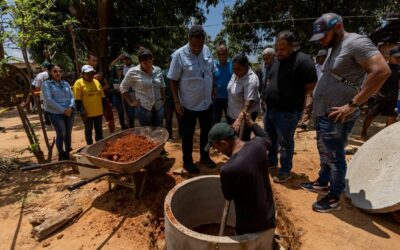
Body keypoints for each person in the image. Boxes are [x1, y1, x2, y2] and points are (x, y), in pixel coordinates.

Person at [301, 13, 390, 213]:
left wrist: (352, 104)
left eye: (324, 35)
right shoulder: (335, 47)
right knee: (325, 152)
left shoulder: (356, 43)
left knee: (335, 156)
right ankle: (323, 182)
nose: (321, 41)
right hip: (325, 113)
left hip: (338, 116)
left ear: (338, 27)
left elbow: (382, 71)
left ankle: (334, 197)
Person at [205, 112, 275, 235]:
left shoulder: (228, 169)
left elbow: (228, 196)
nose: (218, 151)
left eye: (217, 148)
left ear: (223, 143)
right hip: (268, 216)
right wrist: (252, 124)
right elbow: (267, 138)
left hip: (248, 226)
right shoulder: (258, 144)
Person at [265, 30, 317, 182]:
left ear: (292, 46)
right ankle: (272, 160)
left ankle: (285, 170)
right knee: (271, 139)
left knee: (285, 142)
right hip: (271, 111)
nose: (279, 52)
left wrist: (294, 100)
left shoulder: (303, 61)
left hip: (287, 113)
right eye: (277, 49)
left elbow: (310, 87)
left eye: (283, 49)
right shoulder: (277, 61)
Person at [167, 25, 216, 174]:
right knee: (187, 135)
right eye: (194, 45)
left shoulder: (207, 50)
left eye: (200, 45)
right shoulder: (179, 55)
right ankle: (188, 162)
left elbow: (212, 72)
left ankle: (205, 156)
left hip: (206, 103)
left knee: (207, 133)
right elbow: (173, 80)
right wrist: (176, 101)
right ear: (189, 40)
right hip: (188, 105)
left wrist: (213, 88)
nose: (197, 49)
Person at [361, 46, 400, 137]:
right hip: (378, 95)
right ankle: (363, 132)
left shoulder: (399, 68)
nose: (398, 59)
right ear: (389, 56)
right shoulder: (382, 66)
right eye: (396, 57)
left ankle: (388, 136)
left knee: (391, 117)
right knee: (371, 115)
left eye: (399, 58)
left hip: (392, 96)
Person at [121, 49, 165, 127]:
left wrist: (163, 99)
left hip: (158, 107)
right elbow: (123, 87)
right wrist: (131, 103)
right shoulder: (133, 72)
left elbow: (162, 85)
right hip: (143, 109)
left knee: (159, 132)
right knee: (146, 133)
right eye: (145, 63)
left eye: (150, 62)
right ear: (140, 62)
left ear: (152, 60)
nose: (148, 65)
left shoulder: (158, 70)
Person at [41, 64, 75, 161]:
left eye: (60, 71)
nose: (58, 73)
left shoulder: (65, 83)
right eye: (55, 71)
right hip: (55, 114)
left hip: (69, 112)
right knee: (62, 133)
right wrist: (63, 110)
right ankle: (61, 153)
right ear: (50, 72)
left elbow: (72, 96)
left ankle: (68, 150)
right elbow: (48, 100)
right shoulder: (46, 84)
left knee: (68, 133)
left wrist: (71, 107)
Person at [227, 54, 260, 141]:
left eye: (238, 69)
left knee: (242, 140)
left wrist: (239, 119)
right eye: (233, 68)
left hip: (244, 115)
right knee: (233, 138)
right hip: (233, 112)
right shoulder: (236, 73)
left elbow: (248, 105)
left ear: (246, 66)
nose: (235, 71)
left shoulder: (252, 80)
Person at [73, 65, 108, 145]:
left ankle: (99, 144)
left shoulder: (96, 81)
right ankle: (90, 145)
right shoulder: (78, 83)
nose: (90, 75)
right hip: (87, 113)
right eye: (87, 73)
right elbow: (77, 99)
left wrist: (104, 108)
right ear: (82, 74)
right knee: (88, 130)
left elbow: (103, 96)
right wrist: (81, 111)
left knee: (99, 129)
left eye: (92, 73)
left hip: (98, 111)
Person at [298, 49, 328, 130]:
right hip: (312, 89)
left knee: (319, 108)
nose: (321, 59)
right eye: (320, 57)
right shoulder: (315, 67)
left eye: (323, 57)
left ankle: (316, 123)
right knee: (308, 106)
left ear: (326, 57)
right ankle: (304, 123)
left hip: (323, 91)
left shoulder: (328, 67)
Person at [162, 56, 182, 139]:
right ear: (169, 62)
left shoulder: (179, 72)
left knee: (180, 117)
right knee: (168, 118)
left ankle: (180, 135)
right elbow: (162, 87)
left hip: (178, 99)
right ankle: (169, 135)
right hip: (168, 99)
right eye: (171, 61)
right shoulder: (163, 73)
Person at [212, 44, 233, 124]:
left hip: (229, 99)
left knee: (230, 121)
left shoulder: (232, 64)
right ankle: (216, 136)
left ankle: (231, 136)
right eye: (219, 54)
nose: (221, 57)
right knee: (215, 121)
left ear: (227, 54)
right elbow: (211, 78)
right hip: (216, 99)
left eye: (223, 54)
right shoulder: (213, 65)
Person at [32, 61, 52, 126]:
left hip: (44, 94)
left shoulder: (41, 74)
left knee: (46, 108)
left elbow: (37, 86)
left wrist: (39, 93)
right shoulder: (53, 73)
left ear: (44, 67)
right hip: (55, 93)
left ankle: (48, 122)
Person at [109, 64, 128, 130]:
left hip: (125, 97)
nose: (120, 71)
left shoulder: (124, 78)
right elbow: (110, 90)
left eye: (121, 70)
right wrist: (116, 90)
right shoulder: (112, 79)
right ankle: (123, 126)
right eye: (118, 70)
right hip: (117, 99)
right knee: (121, 113)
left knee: (128, 112)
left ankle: (129, 125)